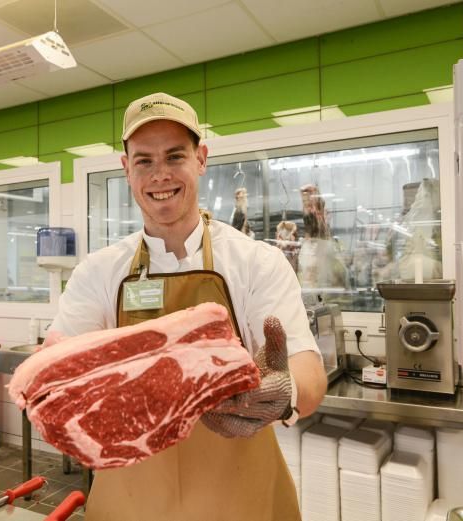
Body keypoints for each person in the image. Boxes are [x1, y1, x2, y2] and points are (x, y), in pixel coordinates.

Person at [46, 92, 327, 521]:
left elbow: (308, 372)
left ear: (201, 159)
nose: (160, 175)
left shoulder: (255, 262)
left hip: (240, 502)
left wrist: (284, 391)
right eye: (144, 161)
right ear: (126, 169)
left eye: (174, 156)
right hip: (129, 504)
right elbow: (59, 367)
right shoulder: (99, 273)